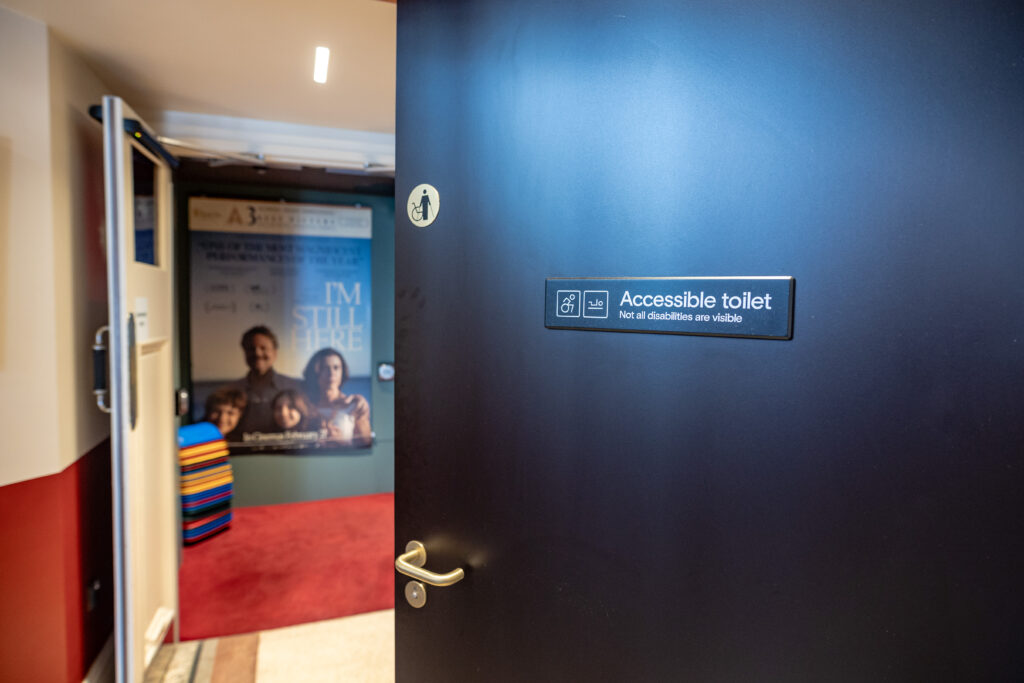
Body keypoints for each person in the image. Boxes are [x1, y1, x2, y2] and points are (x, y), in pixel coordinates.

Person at [223, 325, 304, 437]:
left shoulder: (296, 386)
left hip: (286, 450)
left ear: (275, 353)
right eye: (251, 349)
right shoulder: (230, 390)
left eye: (263, 348)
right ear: (245, 353)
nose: (257, 353)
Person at [302, 348, 371, 447]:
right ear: (315, 372)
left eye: (336, 367)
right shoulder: (305, 406)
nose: (331, 373)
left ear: (343, 371)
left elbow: (366, 446)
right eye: (325, 368)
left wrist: (343, 442)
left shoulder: (355, 405)